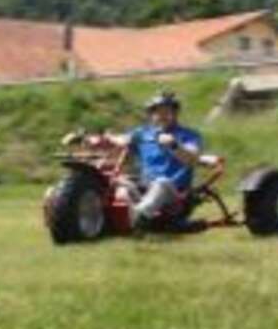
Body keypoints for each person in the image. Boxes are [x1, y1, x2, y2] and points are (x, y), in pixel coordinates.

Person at [66, 90, 204, 228]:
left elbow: (192, 158)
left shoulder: (188, 135)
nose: (162, 116)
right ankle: (105, 219)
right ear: (151, 115)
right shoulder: (142, 133)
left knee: (162, 183)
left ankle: (137, 217)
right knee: (119, 182)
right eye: (158, 112)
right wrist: (89, 139)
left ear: (175, 113)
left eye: (167, 111)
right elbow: (118, 141)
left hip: (175, 195)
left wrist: (174, 145)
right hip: (145, 190)